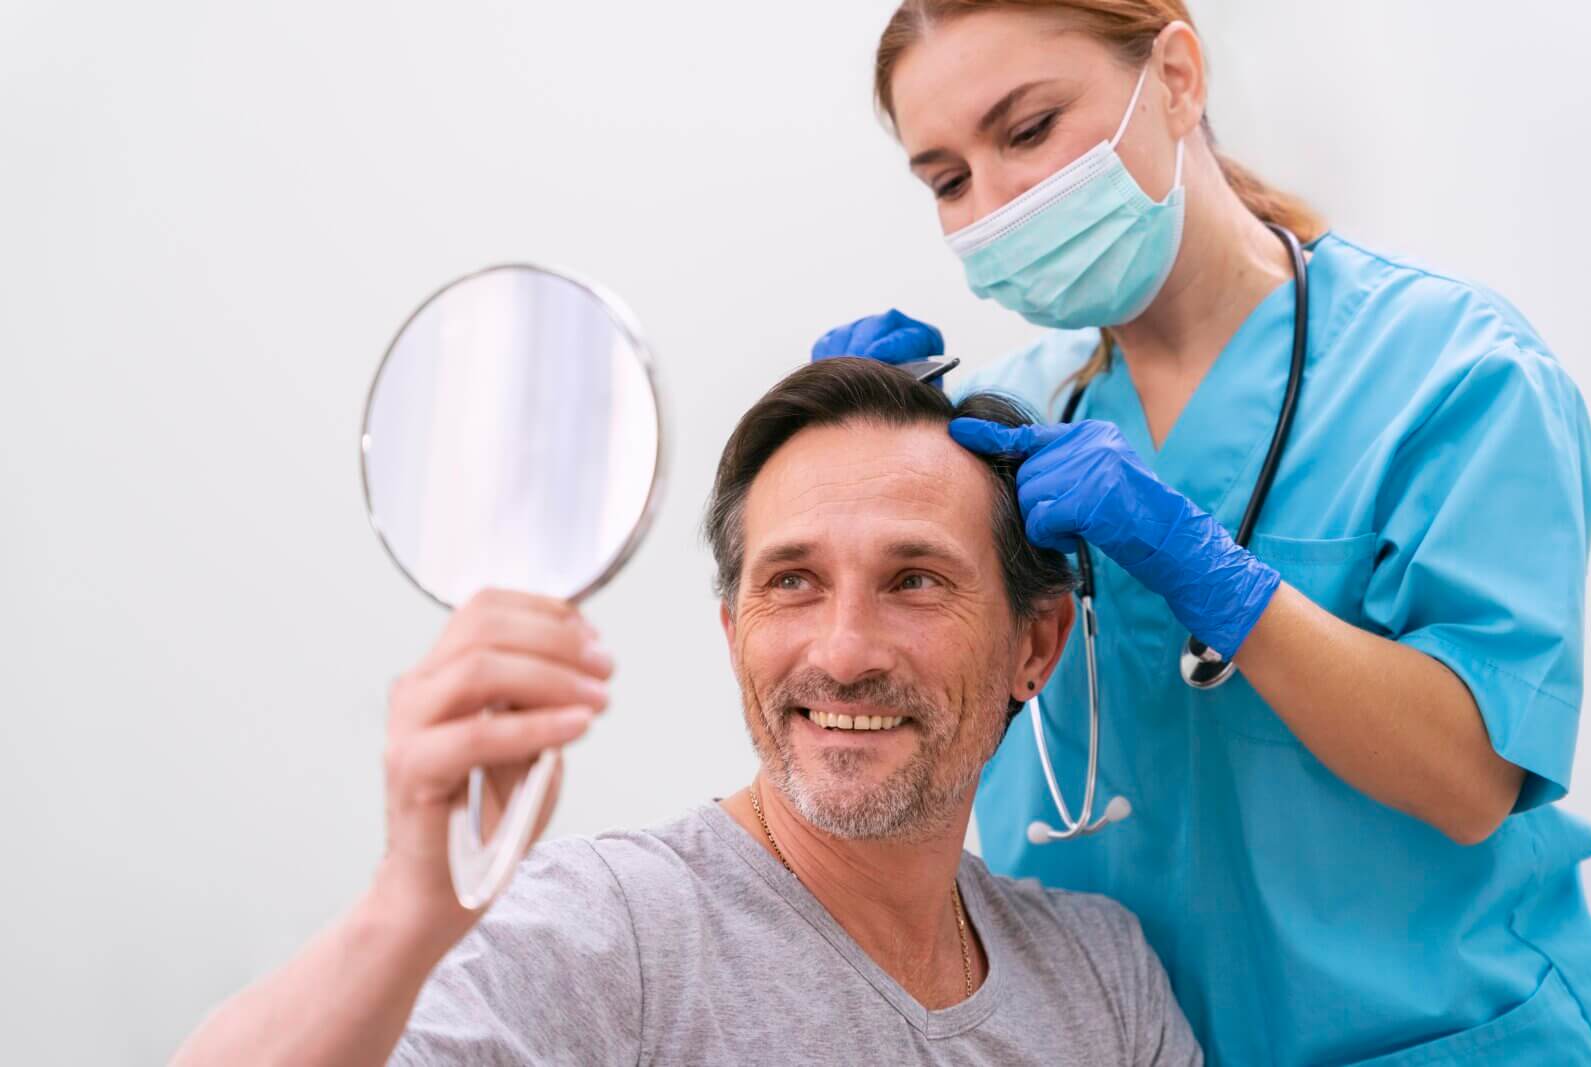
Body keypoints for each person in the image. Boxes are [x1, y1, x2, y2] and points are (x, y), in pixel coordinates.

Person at [810, 2, 1591, 1063]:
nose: (995, 203)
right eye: (947, 179)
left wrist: (1212, 574)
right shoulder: (1010, 426)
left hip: (1441, 1032)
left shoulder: (1453, 376)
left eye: (1029, 129)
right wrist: (850, 475)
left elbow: (1471, 781)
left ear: (1176, 77)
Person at [173, 358, 1202, 1066]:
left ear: (1035, 643)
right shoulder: (609, 931)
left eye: (915, 580)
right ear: (731, 630)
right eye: (791, 582)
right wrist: (407, 906)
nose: (840, 652)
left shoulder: (1096, 978)